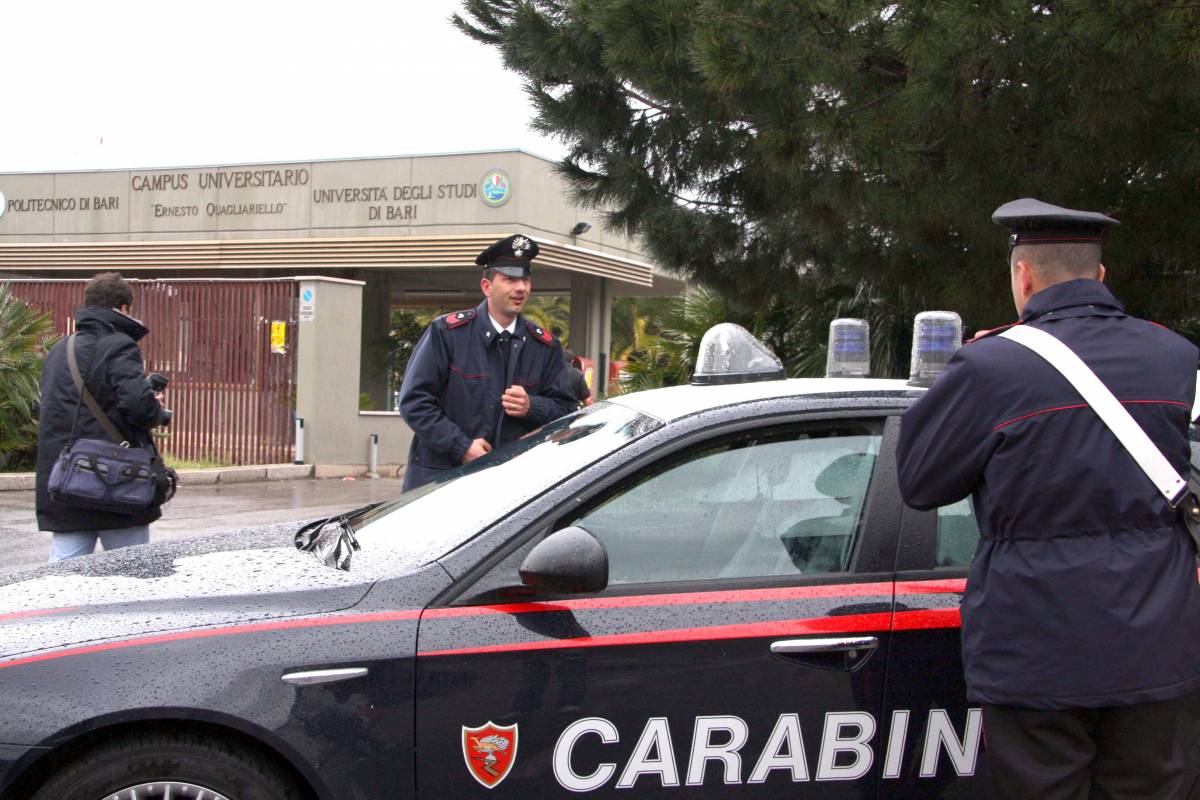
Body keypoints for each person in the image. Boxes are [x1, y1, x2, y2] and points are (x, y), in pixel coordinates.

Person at [896, 198, 1200, 799]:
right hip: (1158, 648)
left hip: (1035, 650)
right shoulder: (1176, 357)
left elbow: (920, 482)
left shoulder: (990, 367)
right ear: (1101, 276)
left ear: (1023, 275)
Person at [398, 234, 579, 490]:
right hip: (441, 482)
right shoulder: (447, 333)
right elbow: (414, 401)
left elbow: (567, 411)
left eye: (525, 279)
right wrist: (460, 446)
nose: (521, 288)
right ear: (487, 286)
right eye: (510, 279)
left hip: (508, 488)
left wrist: (532, 406)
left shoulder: (545, 347)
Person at [35, 272, 169, 561]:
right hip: (117, 485)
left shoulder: (60, 350)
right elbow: (138, 408)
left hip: (66, 481)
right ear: (123, 309)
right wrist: (155, 407)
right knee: (132, 576)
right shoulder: (120, 345)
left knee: (61, 582)